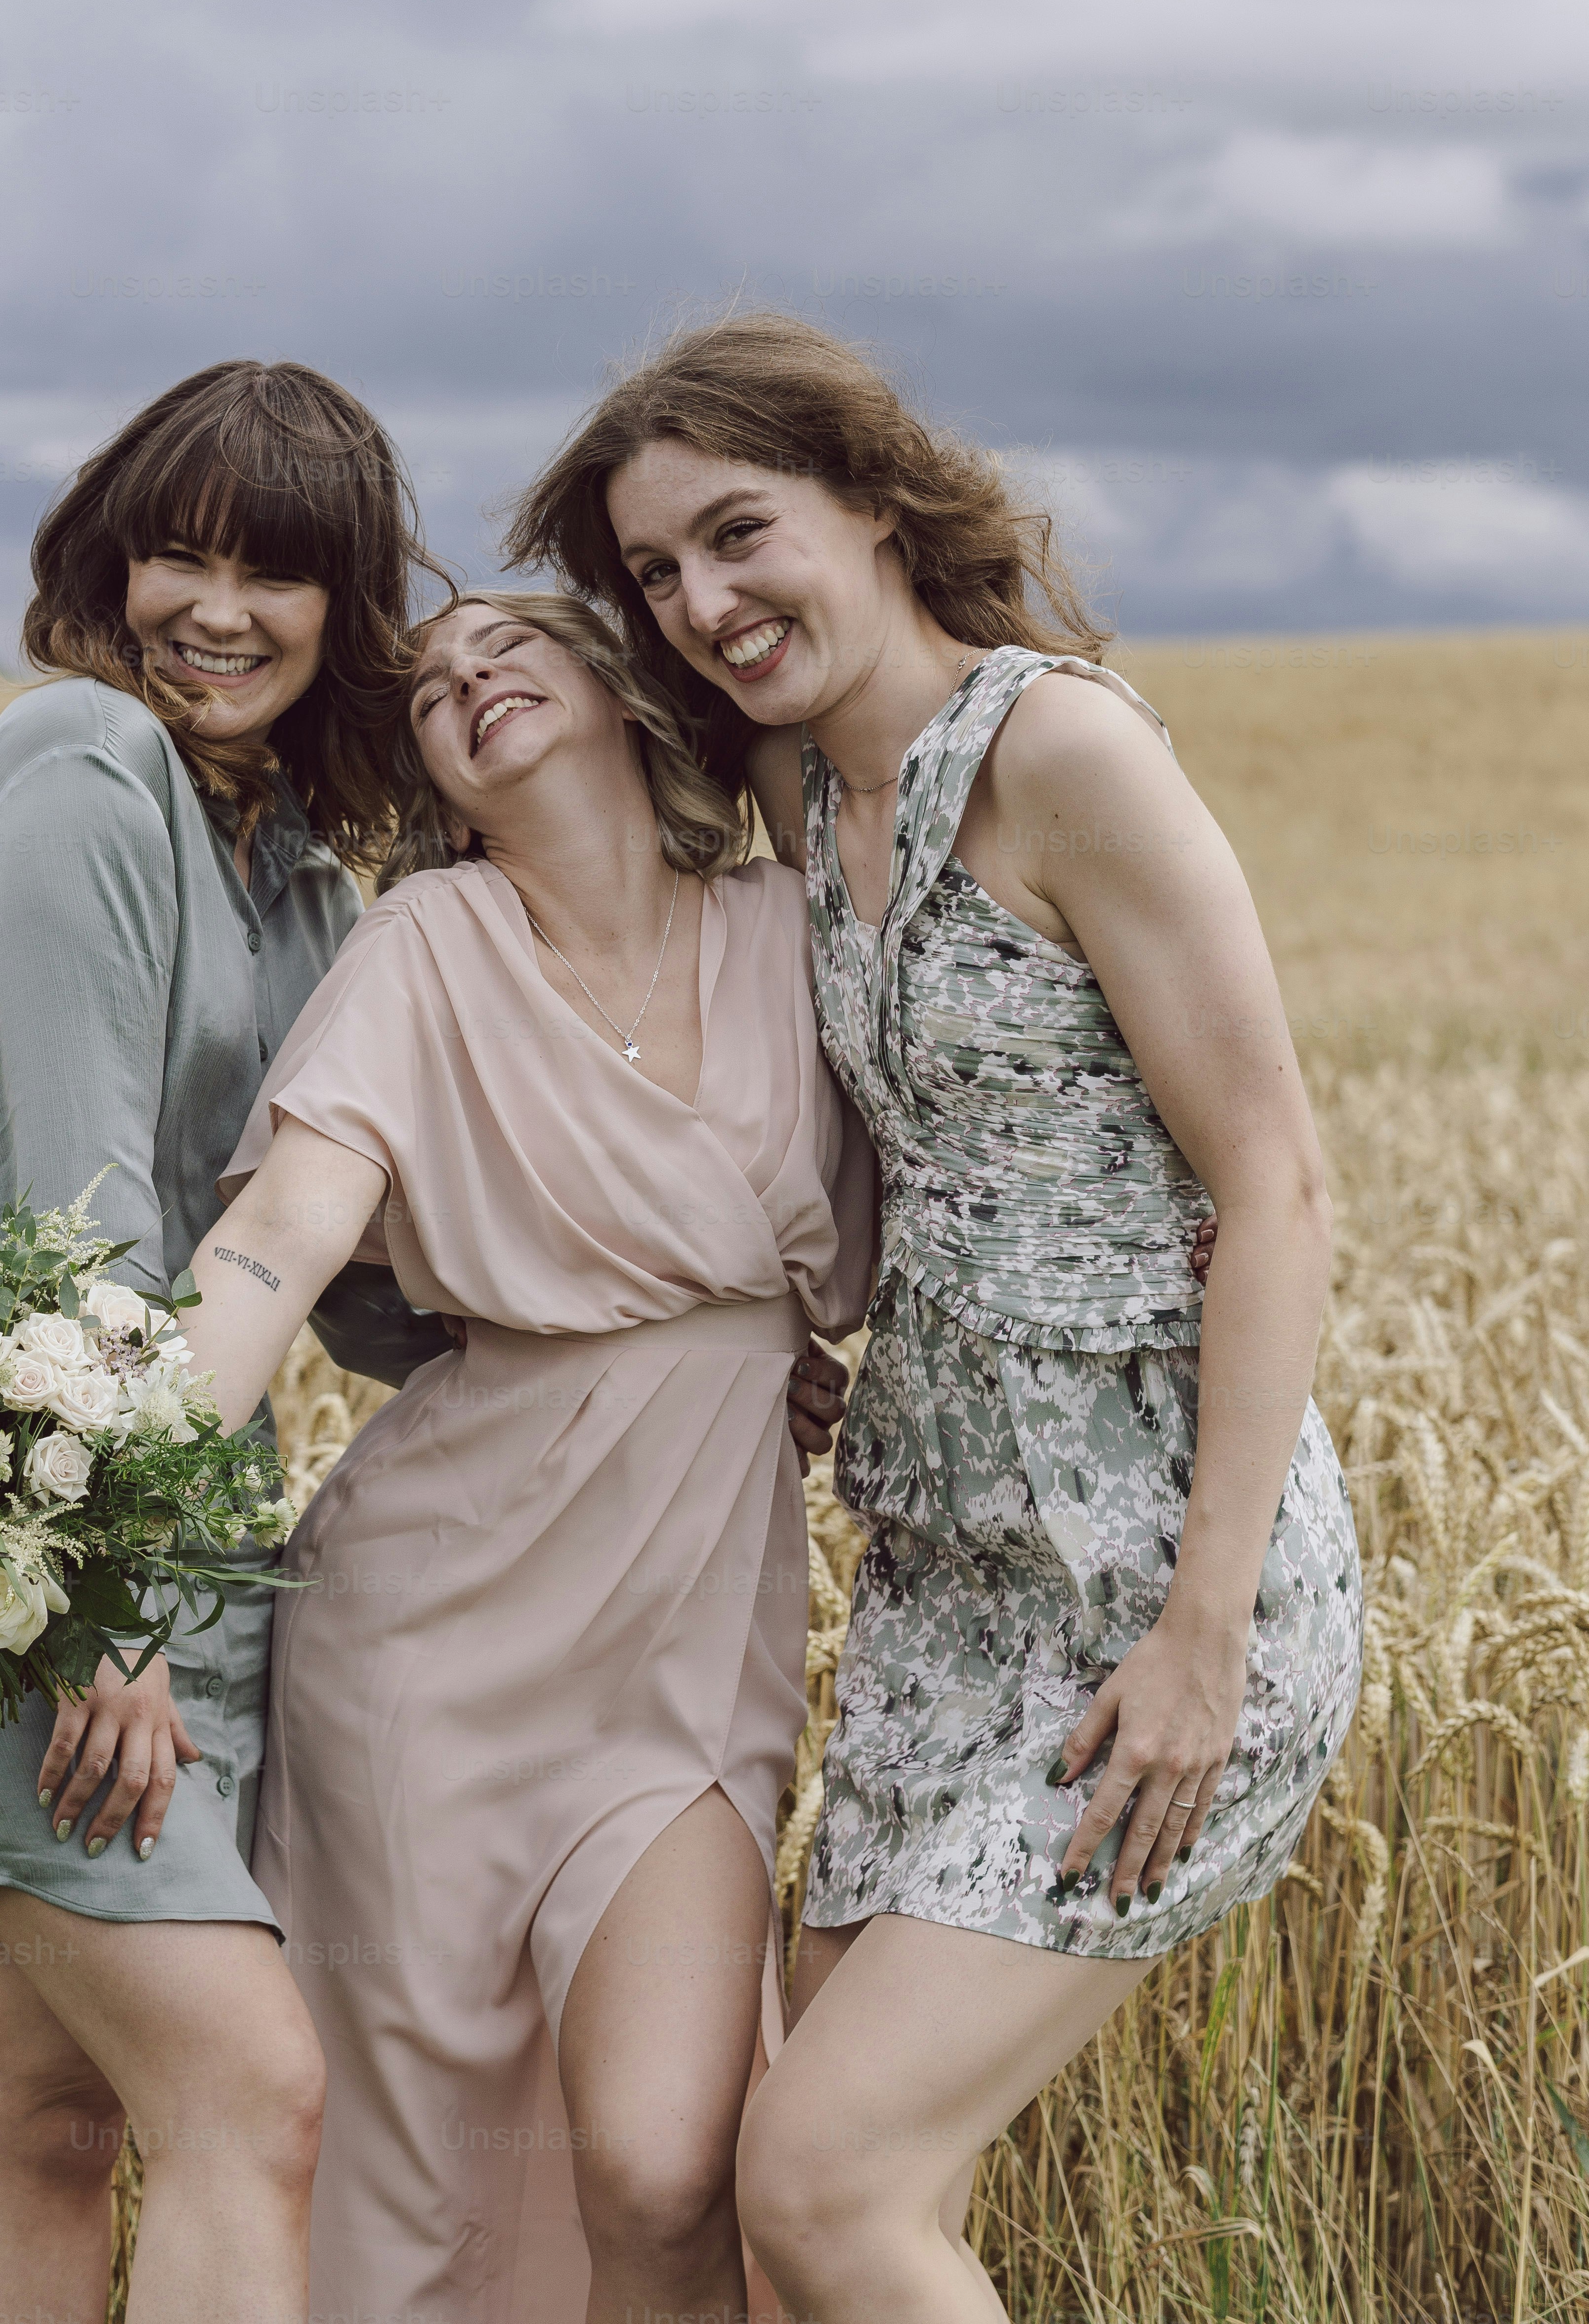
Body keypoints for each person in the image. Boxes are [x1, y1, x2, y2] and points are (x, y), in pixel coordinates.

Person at [508, 311, 1363, 2323]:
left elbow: (1277, 1182)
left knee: (826, 2184)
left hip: (1156, 1577)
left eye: (739, 533)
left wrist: (1202, 1634)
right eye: (654, 573)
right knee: (799, 2195)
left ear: (877, 502)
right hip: (942, 1577)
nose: (702, 603)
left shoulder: (1060, 751)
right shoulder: (812, 790)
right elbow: (930, 1135)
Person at [173, 588, 877, 2324]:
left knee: (664, 2167)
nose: (467, 677)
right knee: (418, 2193)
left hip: (687, 1653)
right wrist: (106, 1473)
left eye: (510, 643)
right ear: (432, 779)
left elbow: (958, 1203)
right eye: (426, 690)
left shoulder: (795, 928)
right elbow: (281, 1234)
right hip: (426, 1647)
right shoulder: (426, 944)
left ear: (621, 681)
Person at [0, 360, 454, 2324]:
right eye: (175, 551)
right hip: (36, 1557)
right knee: (249, 2095)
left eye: (272, 570)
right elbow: (63, 1225)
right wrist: (95, 1609)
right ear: (107, 565)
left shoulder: (294, 874)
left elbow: (337, 1280)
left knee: (38, 2121)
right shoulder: (90, 767)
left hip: (173, 1563)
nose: (215, 606)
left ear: (345, 610)